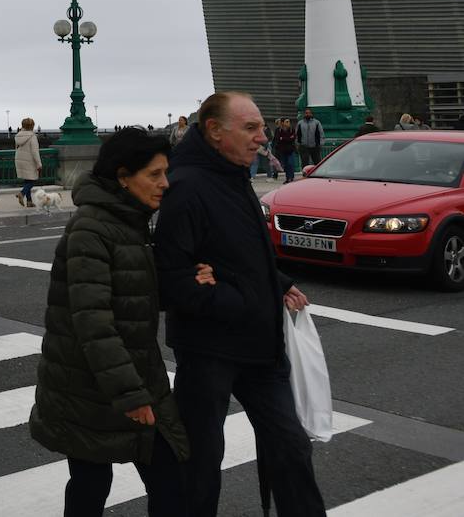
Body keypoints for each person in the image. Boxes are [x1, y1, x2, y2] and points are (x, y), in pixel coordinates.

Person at [154, 92, 324, 517]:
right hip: (209, 348)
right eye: (250, 128)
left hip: (259, 345)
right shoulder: (187, 186)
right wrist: (238, 301)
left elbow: (238, 250)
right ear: (215, 131)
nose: (262, 137)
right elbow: (172, 278)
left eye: (262, 127)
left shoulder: (231, 173)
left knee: (291, 447)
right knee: (201, 459)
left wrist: (277, 284)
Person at [30, 128, 193, 516]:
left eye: (166, 172)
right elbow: (93, 322)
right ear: (123, 177)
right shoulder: (92, 228)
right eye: (154, 174)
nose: (165, 183)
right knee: (97, 481)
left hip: (124, 376)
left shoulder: (129, 221)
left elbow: (135, 294)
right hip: (90, 387)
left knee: (159, 477)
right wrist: (132, 394)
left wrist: (189, 281)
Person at [15, 117, 43, 207]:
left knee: (27, 180)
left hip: (20, 160)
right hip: (29, 161)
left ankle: (29, 201)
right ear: (32, 126)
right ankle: (22, 193)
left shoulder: (18, 135)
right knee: (32, 180)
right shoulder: (32, 136)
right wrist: (39, 164)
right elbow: (35, 152)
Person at [272, 118, 299, 183]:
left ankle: (291, 178)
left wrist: (283, 138)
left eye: (288, 122)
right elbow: (278, 139)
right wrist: (287, 138)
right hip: (282, 150)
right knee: (285, 165)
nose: (288, 123)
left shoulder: (292, 129)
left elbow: (293, 138)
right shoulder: (279, 130)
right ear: (282, 123)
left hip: (290, 150)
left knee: (290, 163)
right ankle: (287, 178)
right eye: (286, 122)